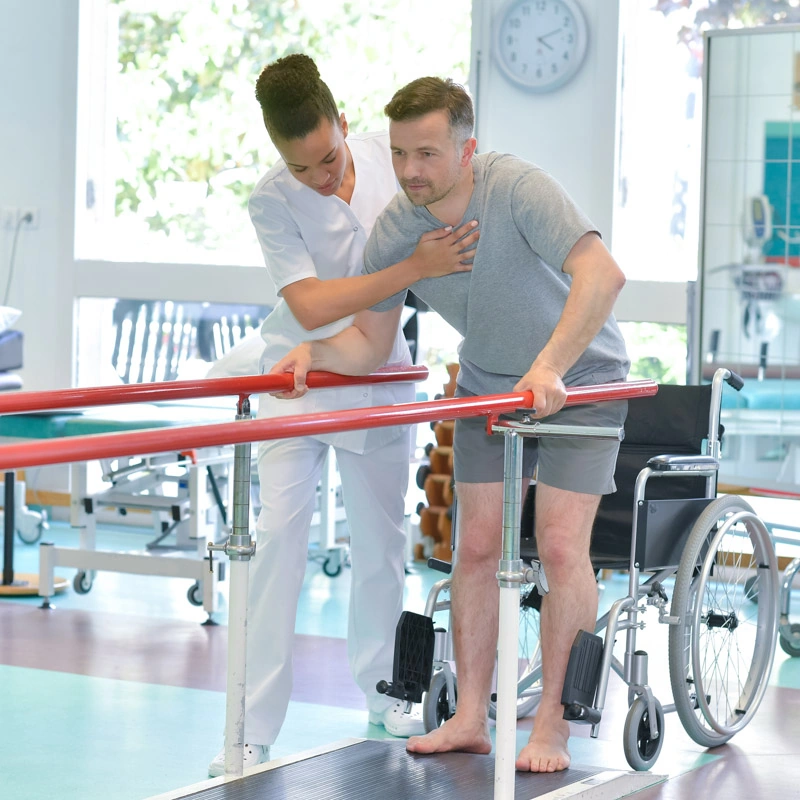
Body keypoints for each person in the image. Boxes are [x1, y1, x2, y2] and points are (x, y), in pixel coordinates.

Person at [270, 76, 630, 774]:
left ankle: (551, 725)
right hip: (491, 387)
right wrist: (314, 351)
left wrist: (552, 366)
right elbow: (370, 345)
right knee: (474, 551)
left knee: (558, 547)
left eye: (428, 153)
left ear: (467, 150)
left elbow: (602, 274)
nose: (410, 171)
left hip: (582, 378)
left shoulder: (517, 189)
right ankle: (470, 715)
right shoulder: (399, 229)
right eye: (401, 153)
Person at [208, 58, 480, 777]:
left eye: (328, 158)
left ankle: (386, 689)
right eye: (303, 170)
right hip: (296, 378)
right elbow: (308, 308)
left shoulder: (393, 165)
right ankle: (248, 728)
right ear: (279, 157)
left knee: (382, 543)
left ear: (344, 127)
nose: (322, 177)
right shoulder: (271, 202)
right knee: (276, 551)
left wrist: (401, 278)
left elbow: (381, 296)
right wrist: (411, 268)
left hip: (378, 373)